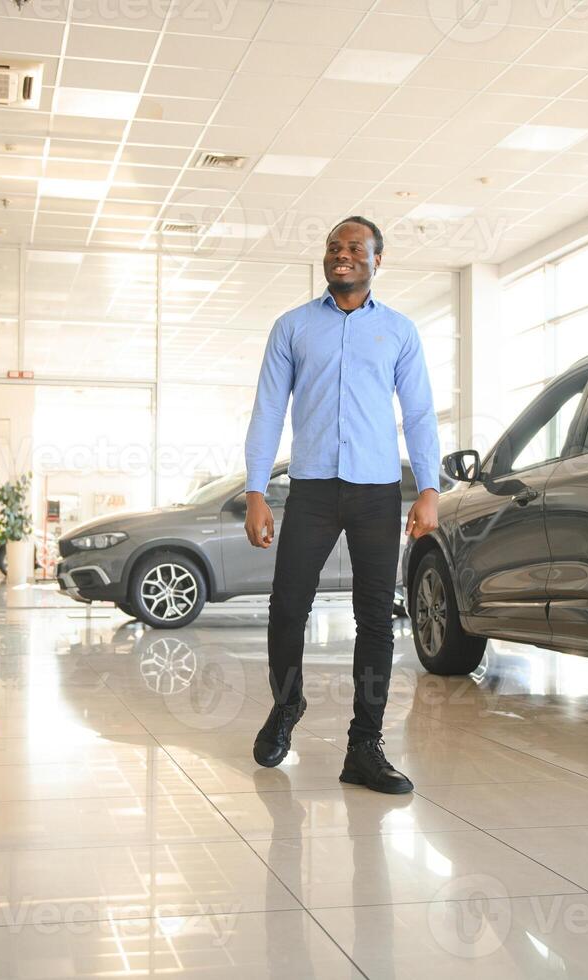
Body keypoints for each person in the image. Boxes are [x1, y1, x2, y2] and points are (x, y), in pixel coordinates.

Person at [242, 215, 440, 794]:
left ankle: (364, 746)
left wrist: (429, 488)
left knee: (375, 618)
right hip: (312, 489)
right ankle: (286, 704)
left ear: (378, 260)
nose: (342, 254)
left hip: (377, 491)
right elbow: (268, 411)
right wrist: (256, 491)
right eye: (334, 247)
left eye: (355, 247)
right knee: (286, 607)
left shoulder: (400, 332)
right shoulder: (293, 327)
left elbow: (421, 413)